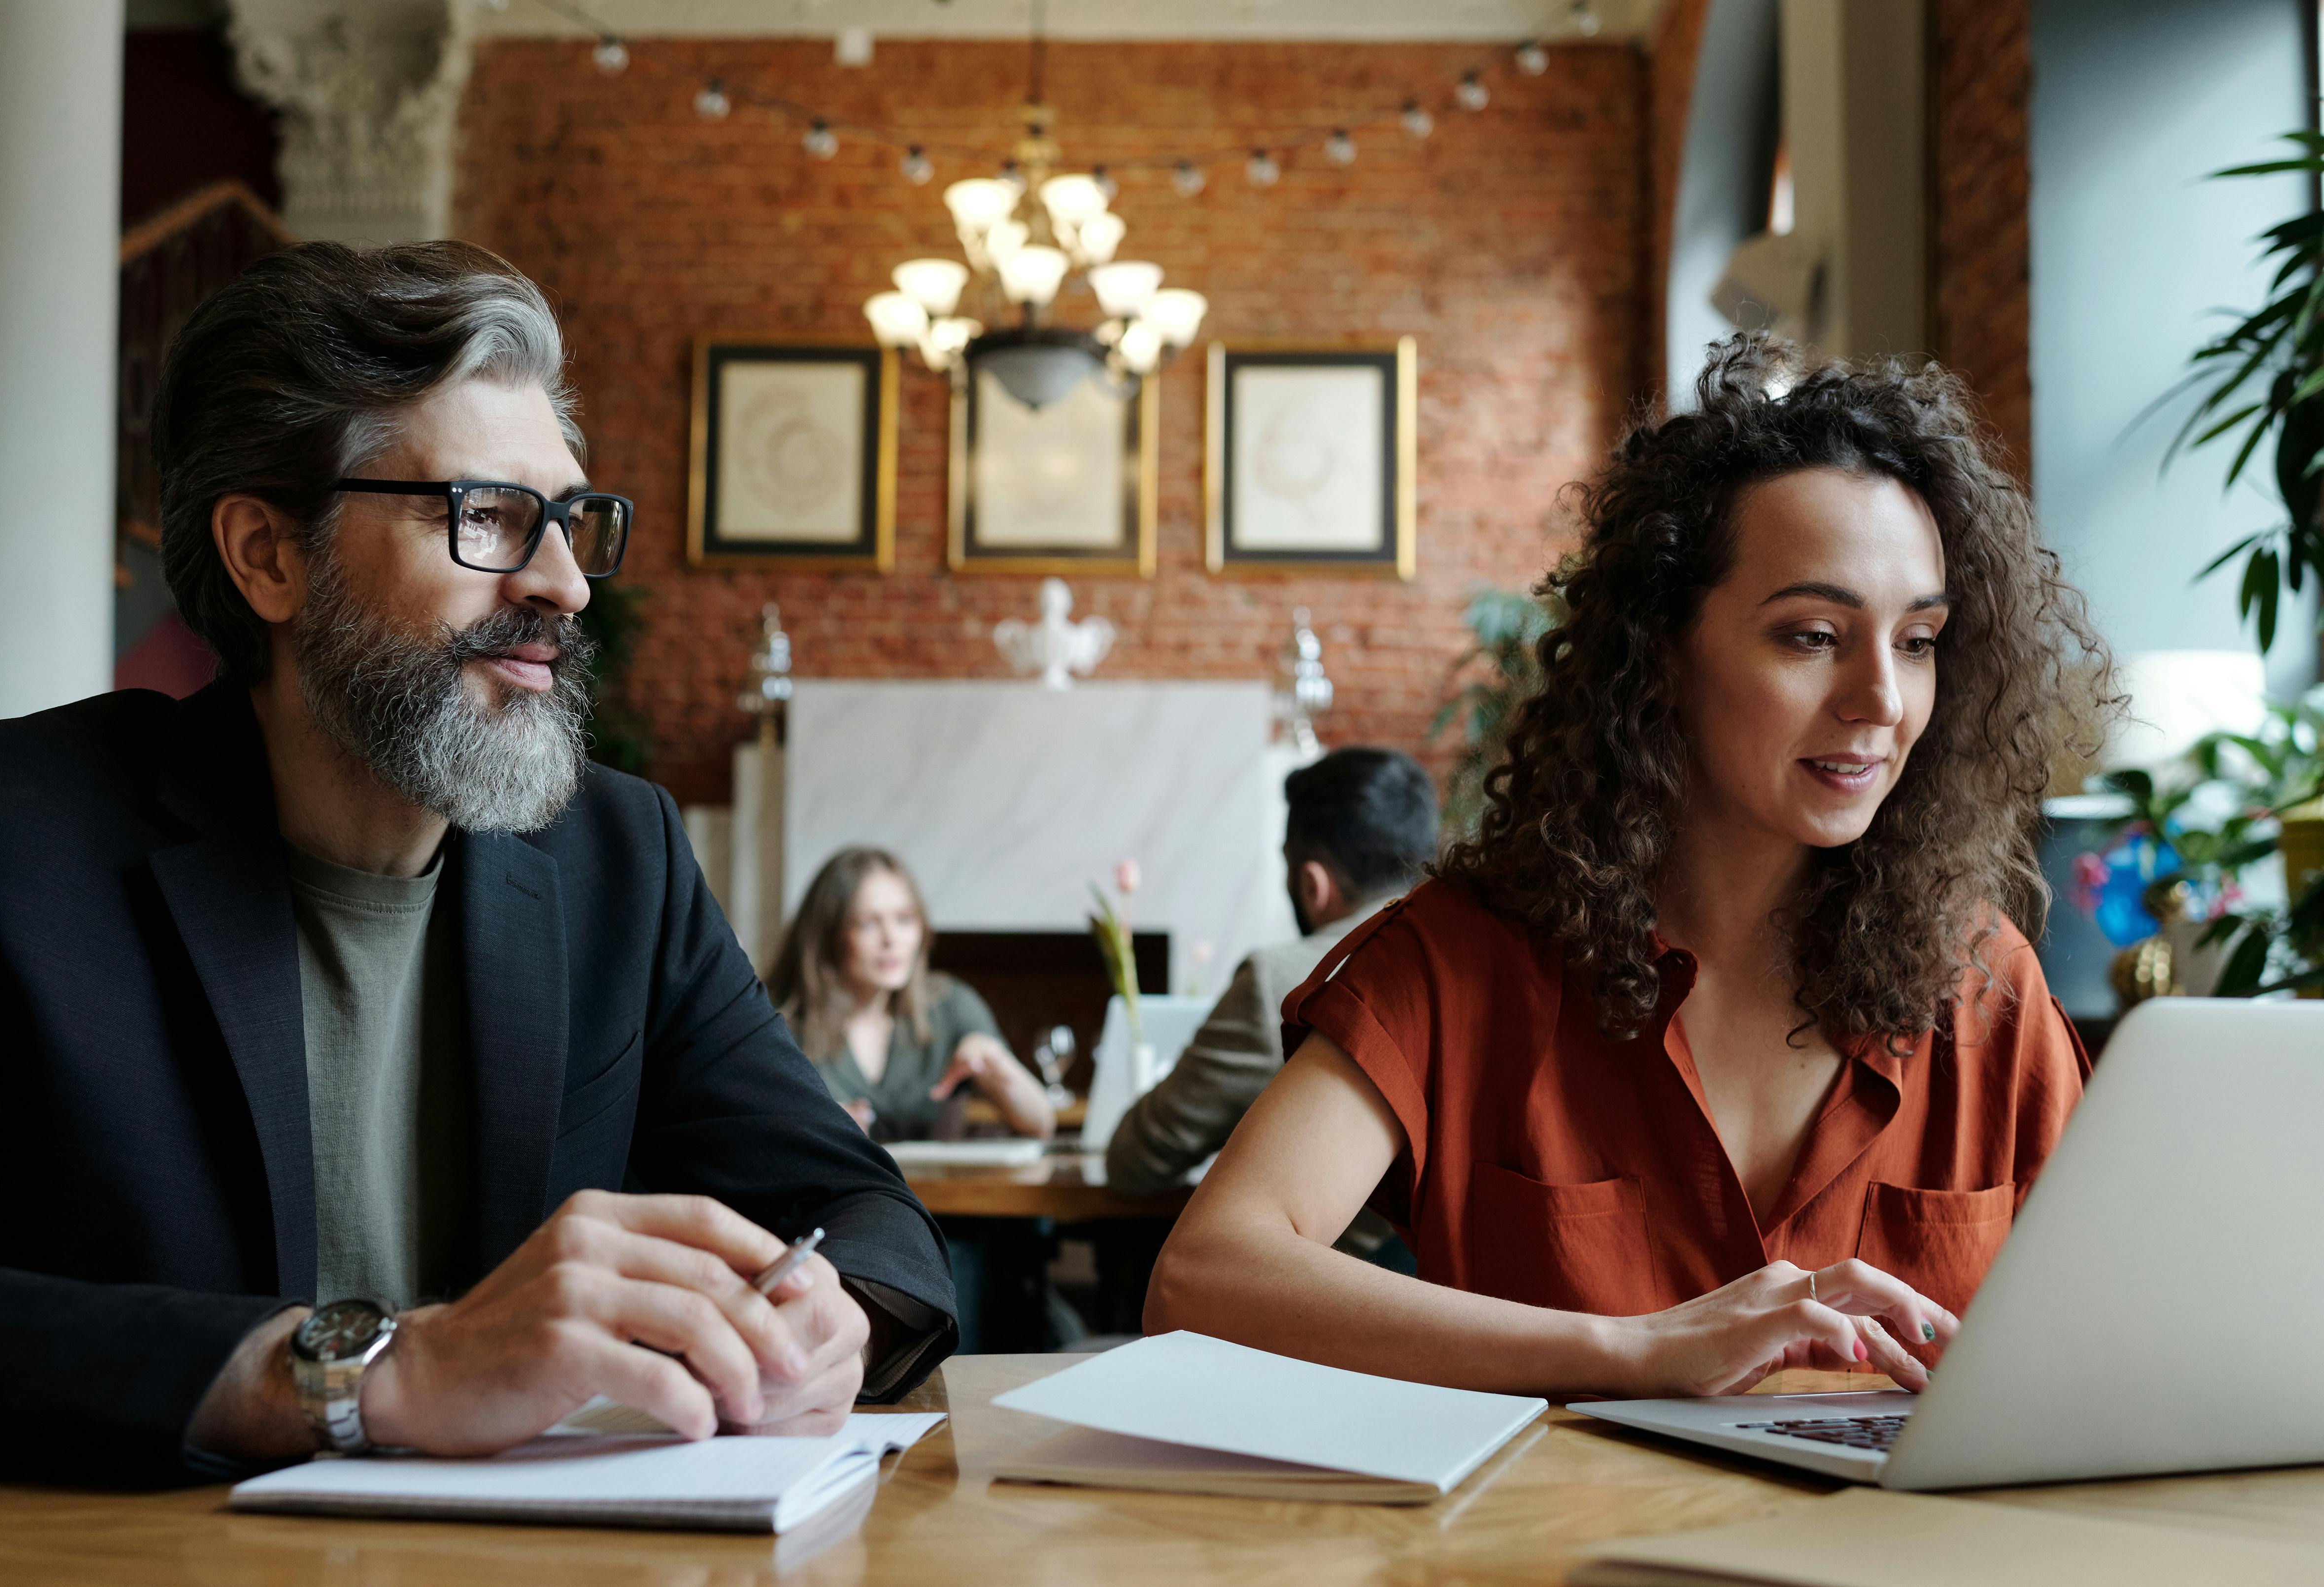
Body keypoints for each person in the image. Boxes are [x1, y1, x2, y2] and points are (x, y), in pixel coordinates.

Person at [0, 242, 955, 1485]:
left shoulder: (617, 858)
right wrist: (378, 1374)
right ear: (269, 556)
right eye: (486, 517)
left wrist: (831, 1319)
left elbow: (860, 1211)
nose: (565, 584)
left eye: (573, 520)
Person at [1148, 335, 2115, 1400]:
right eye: (1810, 635)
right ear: (1662, 648)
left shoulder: (1983, 983)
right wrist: (1636, 1352)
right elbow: (1201, 1279)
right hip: (1539, 1562)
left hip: (1900, 1563)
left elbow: (2123, 1339)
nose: (1881, 699)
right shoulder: (1464, 963)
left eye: (1919, 639)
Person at [1105, 747, 1437, 1266]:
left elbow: (1136, 1160)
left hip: (1316, 1321)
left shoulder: (1282, 984)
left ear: (1312, 883)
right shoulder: (1473, 973)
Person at [767, 847, 1055, 1143]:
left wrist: (998, 1065)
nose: (892, 939)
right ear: (828, 934)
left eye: (904, 919)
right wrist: (815, 1131)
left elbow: (1041, 1123)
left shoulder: (950, 1004)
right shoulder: (775, 1021)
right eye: (868, 923)